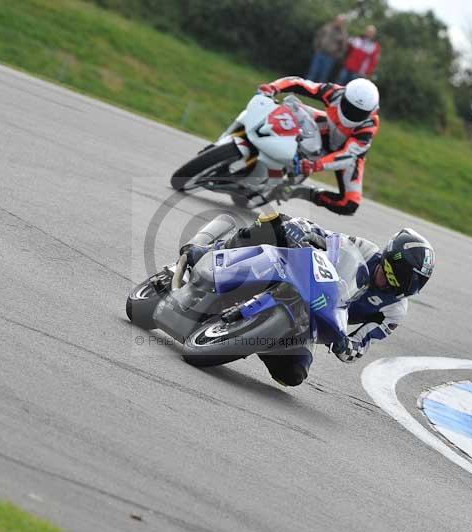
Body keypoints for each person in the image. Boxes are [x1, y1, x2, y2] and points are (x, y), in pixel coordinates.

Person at [181, 212, 435, 387]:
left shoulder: (394, 311)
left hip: (314, 319)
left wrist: (346, 347)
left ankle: (253, 336)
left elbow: (360, 344)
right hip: (300, 278)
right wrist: (302, 229)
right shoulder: (366, 250)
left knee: (292, 376)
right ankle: (213, 251)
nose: (387, 284)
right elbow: (328, 238)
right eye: (389, 275)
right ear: (387, 259)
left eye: (407, 282)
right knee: (274, 222)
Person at [257, 76, 380, 215]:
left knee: (349, 204)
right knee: (290, 106)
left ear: (371, 111)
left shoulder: (369, 125)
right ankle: (259, 134)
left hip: (348, 154)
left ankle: (301, 192)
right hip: (327, 126)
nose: (352, 114)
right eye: (349, 107)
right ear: (344, 96)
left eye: (360, 113)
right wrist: (272, 87)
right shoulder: (334, 92)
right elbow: (299, 83)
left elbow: (346, 155)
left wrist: (315, 166)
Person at [306, 15, 348, 83]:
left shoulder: (343, 34)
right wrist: (316, 48)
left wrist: (336, 56)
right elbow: (318, 36)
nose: (339, 22)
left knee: (323, 75)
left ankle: (318, 92)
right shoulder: (327, 27)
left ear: (343, 23)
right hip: (320, 53)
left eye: (341, 22)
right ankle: (305, 88)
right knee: (313, 71)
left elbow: (343, 48)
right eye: (338, 20)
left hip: (330, 57)